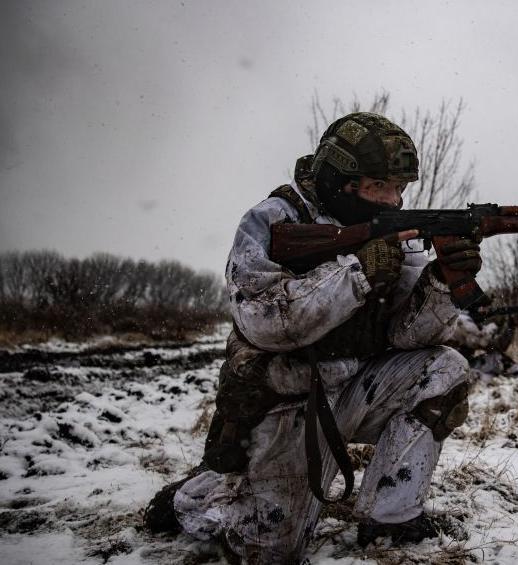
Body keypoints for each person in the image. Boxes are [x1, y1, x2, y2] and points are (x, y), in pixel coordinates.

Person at [144, 112, 482, 563]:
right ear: (340, 179)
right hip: (285, 403)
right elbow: (264, 320)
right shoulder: (275, 219)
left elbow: (409, 336)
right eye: (380, 186)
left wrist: (443, 282)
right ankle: (197, 496)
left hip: (353, 392)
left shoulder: (393, 234)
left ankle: (392, 519)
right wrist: (356, 273)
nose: (394, 199)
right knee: (268, 554)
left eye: (400, 188)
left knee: (444, 368)